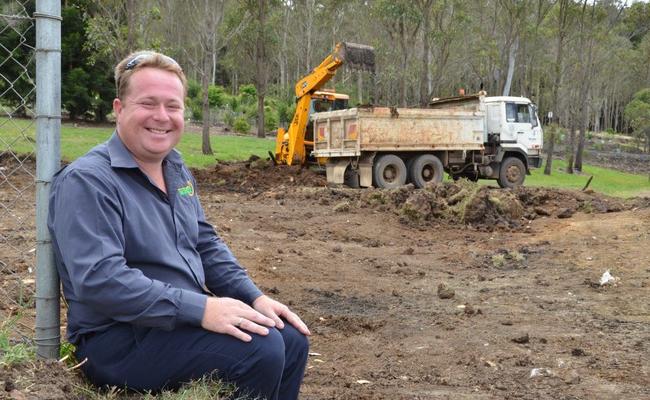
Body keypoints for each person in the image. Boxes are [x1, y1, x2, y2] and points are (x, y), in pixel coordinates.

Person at [48, 50, 310, 399]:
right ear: (119, 108)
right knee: (260, 350)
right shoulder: (88, 181)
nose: (162, 116)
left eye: (173, 106)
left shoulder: (175, 167)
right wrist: (201, 309)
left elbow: (203, 243)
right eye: (148, 103)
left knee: (290, 338)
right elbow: (100, 280)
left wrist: (253, 297)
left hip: (174, 323)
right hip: (116, 340)